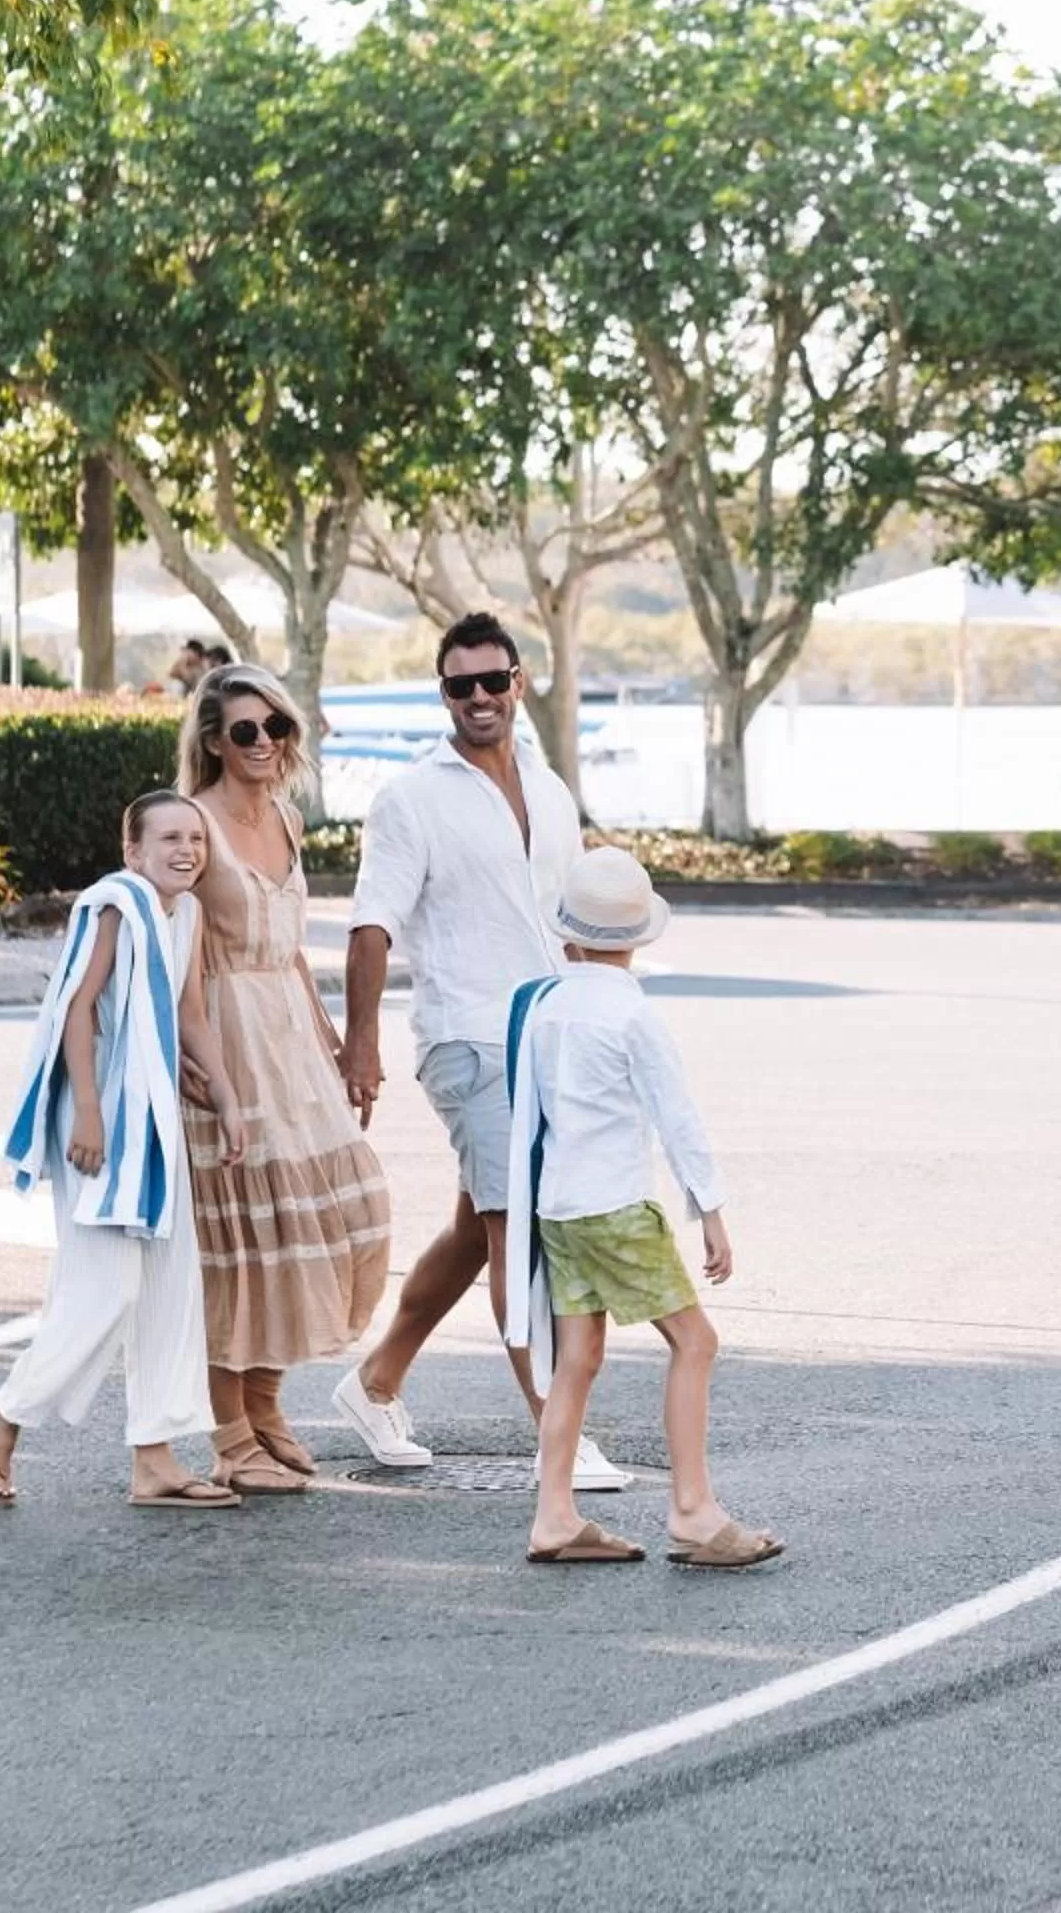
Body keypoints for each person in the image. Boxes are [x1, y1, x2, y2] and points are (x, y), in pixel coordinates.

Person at [334, 611, 631, 1491]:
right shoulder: (411, 799)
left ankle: (377, 1380)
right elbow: (371, 925)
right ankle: (559, 1436)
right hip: (469, 1040)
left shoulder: (547, 786)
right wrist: (362, 1045)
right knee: (520, 1234)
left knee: (477, 1229)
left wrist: (604, 1023)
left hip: (549, 1035)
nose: (477, 699)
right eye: (459, 686)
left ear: (518, 684)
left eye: (491, 682)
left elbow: (573, 922)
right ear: (443, 694)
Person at [0, 790, 248, 1510]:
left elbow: (189, 1014)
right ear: (133, 851)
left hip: (152, 1116)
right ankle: (4, 1415)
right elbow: (76, 1007)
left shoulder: (189, 913)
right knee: (107, 1285)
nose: (186, 851)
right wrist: (87, 1111)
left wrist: (230, 1097)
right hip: (100, 1113)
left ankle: (156, 1458)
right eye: (169, 839)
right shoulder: (114, 905)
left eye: (196, 840)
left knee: (172, 1284)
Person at [503, 848, 779, 1567]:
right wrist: (710, 1210)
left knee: (578, 1358)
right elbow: (676, 1116)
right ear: (636, 938)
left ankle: (555, 1516)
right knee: (695, 1343)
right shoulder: (632, 1014)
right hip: (617, 1207)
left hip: (559, 1207)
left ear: (570, 937)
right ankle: (692, 1509)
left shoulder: (546, 1005)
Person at [177, 663, 393, 1495]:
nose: (264, 743)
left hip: (293, 1038)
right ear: (213, 742)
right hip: (228, 1035)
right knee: (238, 1243)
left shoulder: (290, 820)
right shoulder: (194, 823)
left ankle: (266, 1402)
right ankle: (230, 1434)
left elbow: (294, 947)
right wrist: (196, 1058)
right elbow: (183, 954)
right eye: (245, 731)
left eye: (277, 728)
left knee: (345, 1215)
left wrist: (338, 1042)